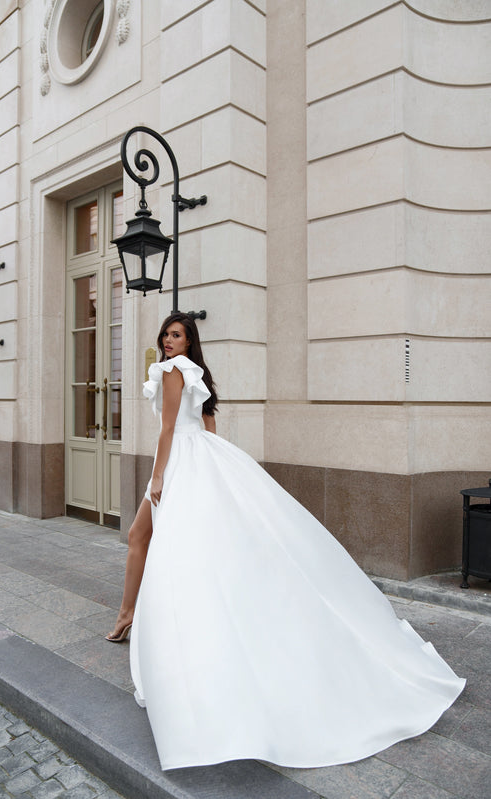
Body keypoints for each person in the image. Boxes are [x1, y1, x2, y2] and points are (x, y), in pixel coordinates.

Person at [107, 312, 465, 772]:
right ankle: (129, 613)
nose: (168, 341)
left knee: (162, 543)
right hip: (199, 461)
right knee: (150, 537)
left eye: (176, 335)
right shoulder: (198, 375)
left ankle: (134, 617)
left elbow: (169, 430)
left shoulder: (173, 372)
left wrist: (159, 477)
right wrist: (206, 472)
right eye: (165, 335)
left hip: (179, 464)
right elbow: (208, 428)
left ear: (189, 341)